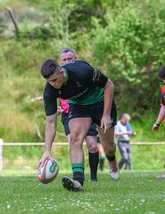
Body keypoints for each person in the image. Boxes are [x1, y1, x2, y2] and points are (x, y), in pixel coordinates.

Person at [39, 59, 119, 193]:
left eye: (55, 80)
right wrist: (47, 150)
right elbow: (51, 122)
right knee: (75, 137)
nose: (53, 84)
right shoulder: (50, 91)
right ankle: (77, 181)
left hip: (100, 102)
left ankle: (112, 159)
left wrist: (106, 114)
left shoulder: (82, 72)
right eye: (49, 82)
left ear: (62, 72)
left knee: (108, 147)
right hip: (79, 105)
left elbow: (109, 85)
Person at [57, 48, 99, 181]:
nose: (67, 62)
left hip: (85, 110)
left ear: (75, 58)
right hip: (68, 115)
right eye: (64, 60)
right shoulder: (57, 77)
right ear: (61, 62)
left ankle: (93, 176)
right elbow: (57, 96)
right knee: (73, 141)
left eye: (70, 59)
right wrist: (58, 108)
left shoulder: (81, 72)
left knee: (92, 145)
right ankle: (78, 175)